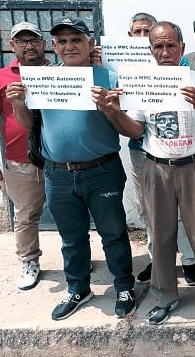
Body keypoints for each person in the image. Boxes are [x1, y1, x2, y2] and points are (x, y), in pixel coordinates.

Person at [99, 20, 195, 325]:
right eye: (158, 45)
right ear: (151, 50)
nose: (165, 51)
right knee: (161, 235)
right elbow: (135, 129)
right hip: (157, 168)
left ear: (182, 48)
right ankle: (164, 297)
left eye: (171, 44)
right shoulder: (142, 83)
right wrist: (114, 111)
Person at [9, 16, 136, 321]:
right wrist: (17, 104)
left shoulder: (107, 78)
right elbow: (31, 124)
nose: (69, 46)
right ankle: (78, 287)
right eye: (62, 41)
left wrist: (111, 108)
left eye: (76, 39)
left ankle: (123, 287)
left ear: (90, 44)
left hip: (102, 169)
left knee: (113, 233)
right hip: (58, 173)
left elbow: (128, 128)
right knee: (71, 237)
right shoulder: (44, 77)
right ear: (54, 47)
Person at [117, 13, 195, 286]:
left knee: (184, 213)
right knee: (150, 212)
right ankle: (159, 264)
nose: (163, 51)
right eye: (137, 32)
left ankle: (189, 261)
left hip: (182, 153)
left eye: (146, 31)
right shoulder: (126, 70)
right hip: (144, 151)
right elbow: (132, 122)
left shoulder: (187, 73)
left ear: (180, 46)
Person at [0, 22, 48, 291]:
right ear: (13, 46)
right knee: (25, 216)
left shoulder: (60, 73)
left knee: (72, 213)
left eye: (34, 40)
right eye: (22, 41)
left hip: (62, 159)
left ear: (44, 44)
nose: (29, 45)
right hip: (20, 161)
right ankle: (29, 261)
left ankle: (75, 258)